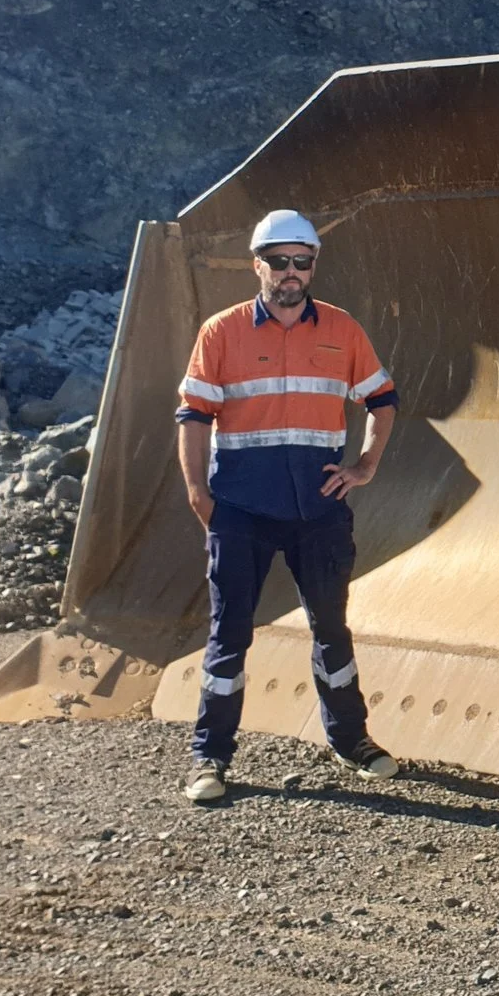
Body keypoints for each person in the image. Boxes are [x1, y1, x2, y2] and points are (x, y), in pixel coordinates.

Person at [173, 208, 402, 803]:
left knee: (331, 628)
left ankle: (351, 741)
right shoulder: (220, 333)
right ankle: (210, 758)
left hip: (318, 509)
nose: (291, 272)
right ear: (259, 266)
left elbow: (382, 399)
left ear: (313, 266)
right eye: (279, 262)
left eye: (302, 261)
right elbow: (193, 418)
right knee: (229, 633)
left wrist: (365, 466)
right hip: (241, 508)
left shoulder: (342, 329)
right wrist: (200, 494)